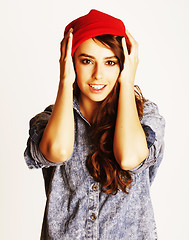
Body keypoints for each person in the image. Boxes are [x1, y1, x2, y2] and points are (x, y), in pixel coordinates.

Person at [24, 9, 165, 240]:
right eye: (87, 61)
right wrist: (64, 80)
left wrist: (127, 82)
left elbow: (129, 158)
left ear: (123, 65)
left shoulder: (146, 117)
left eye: (110, 62)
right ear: (70, 62)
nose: (98, 74)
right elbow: (57, 151)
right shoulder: (50, 119)